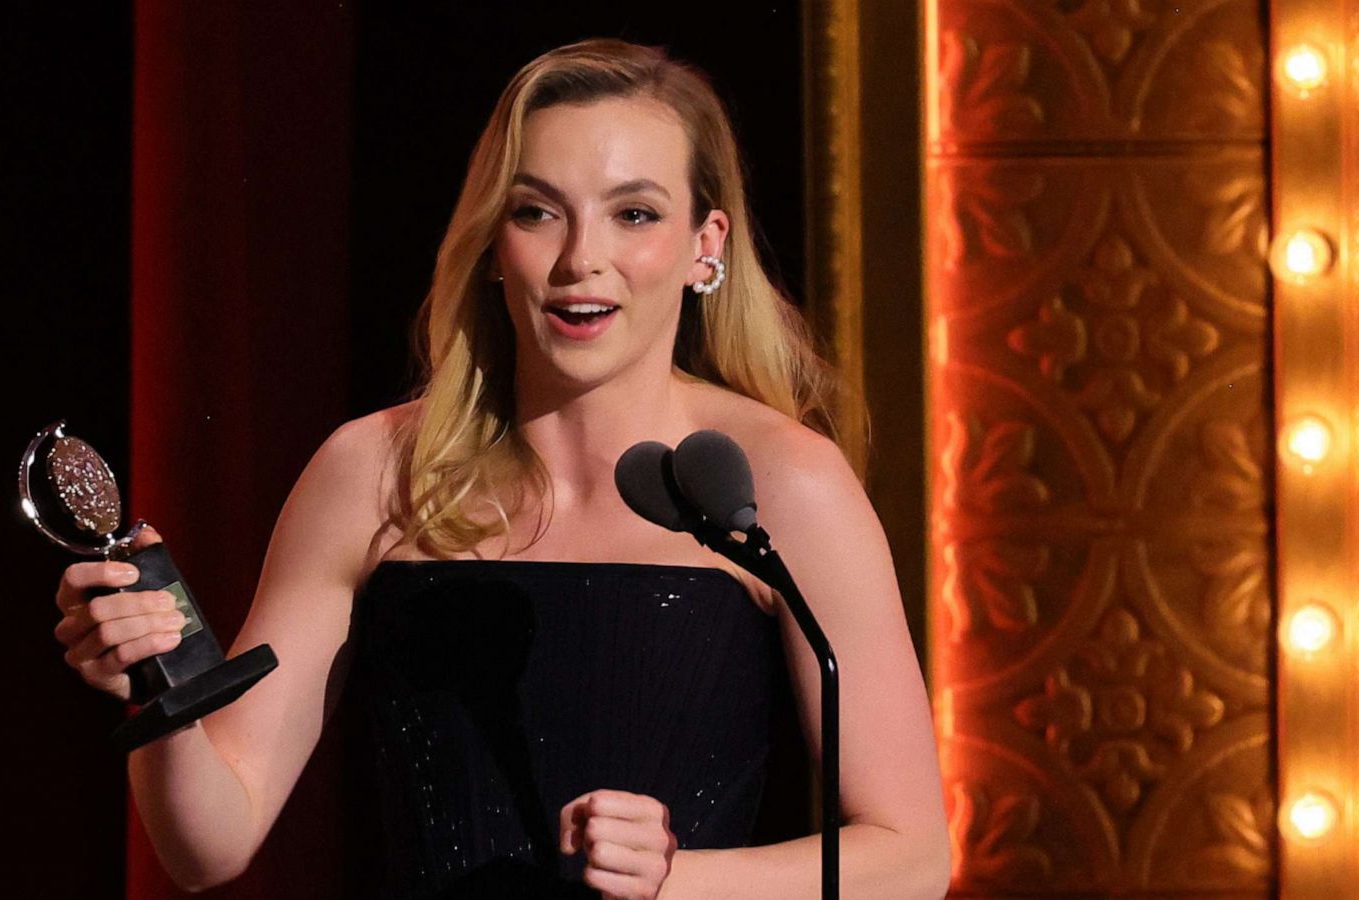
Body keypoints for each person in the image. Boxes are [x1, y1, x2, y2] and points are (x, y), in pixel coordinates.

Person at [52, 38, 950, 899]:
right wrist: (155, 684)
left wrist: (679, 882)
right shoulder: (374, 472)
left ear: (704, 245)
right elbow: (212, 843)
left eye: (633, 213)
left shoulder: (781, 483)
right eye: (537, 211)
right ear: (492, 242)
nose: (578, 259)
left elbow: (911, 860)